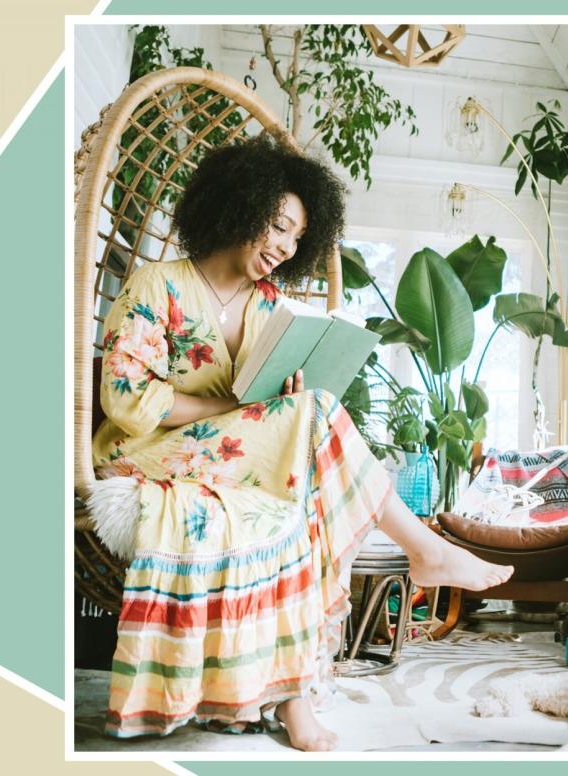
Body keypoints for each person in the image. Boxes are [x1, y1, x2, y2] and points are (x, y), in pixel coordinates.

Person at [87, 134, 512, 751]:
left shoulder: (267, 305)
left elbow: (259, 404)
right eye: (277, 225)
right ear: (239, 204)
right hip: (141, 451)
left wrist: (277, 393)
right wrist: (233, 407)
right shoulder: (159, 284)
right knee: (312, 419)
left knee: (299, 483)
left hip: (228, 454)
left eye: (295, 237)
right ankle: (425, 548)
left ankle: (295, 702)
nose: (284, 246)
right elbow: (124, 397)